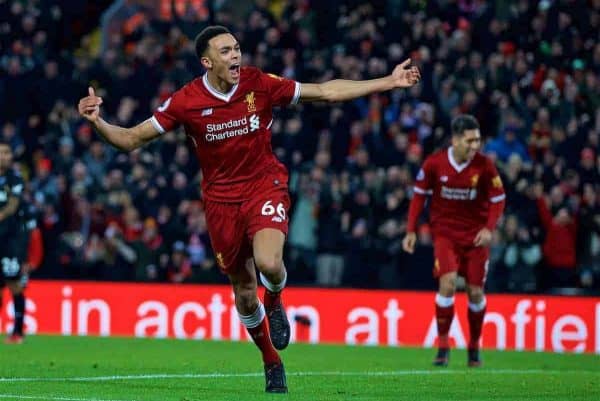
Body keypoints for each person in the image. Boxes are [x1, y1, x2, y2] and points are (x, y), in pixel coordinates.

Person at [78, 25, 420, 393]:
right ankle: (271, 360)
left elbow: (325, 91)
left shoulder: (259, 83)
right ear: (207, 61)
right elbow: (130, 139)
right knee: (242, 291)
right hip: (221, 202)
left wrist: (387, 81)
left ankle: (274, 300)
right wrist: (98, 122)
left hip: (264, 186)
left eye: (237, 48)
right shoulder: (185, 101)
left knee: (270, 263)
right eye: (225, 52)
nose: (235, 56)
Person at [402, 115, 505, 367]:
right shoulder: (435, 163)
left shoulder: (485, 165)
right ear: (456, 140)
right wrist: (411, 230)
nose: (475, 146)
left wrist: (490, 229)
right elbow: (418, 197)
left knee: (476, 292)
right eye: (470, 140)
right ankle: (444, 346)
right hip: (446, 235)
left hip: (476, 238)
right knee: (447, 284)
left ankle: (474, 346)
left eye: (478, 140)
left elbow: (498, 199)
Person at [0, 140, 27, 344]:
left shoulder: (15, 179)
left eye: (8, 152)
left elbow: (12, 206)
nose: (6, 156)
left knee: (14, 284)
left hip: (9, 240)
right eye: (2, 152)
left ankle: (17, 331)